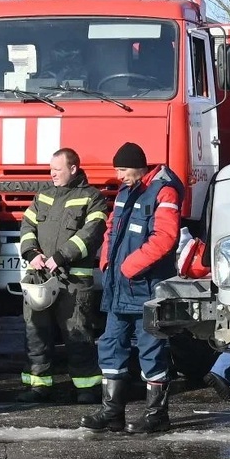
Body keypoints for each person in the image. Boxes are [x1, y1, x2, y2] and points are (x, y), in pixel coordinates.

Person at [81, 142, 184, 434]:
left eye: (123, 169)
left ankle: (156, 415)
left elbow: (165, 237)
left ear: (138, 167)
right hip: (120, 289)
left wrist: (129, 267)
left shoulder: (164, 191)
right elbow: (112, 229)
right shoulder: (127, 191)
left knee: (151, 349)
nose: (119, 175)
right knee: (111, 345)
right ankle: (111, 413)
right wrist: (105, 261)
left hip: (145, 289)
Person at [17, 147, 107, 404]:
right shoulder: (43, 194)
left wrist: (60, 257)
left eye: (57, 170)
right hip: (40, 278)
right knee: (36, 332)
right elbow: (27, 225)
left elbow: (91, 234)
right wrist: (31, 252)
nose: (52, 174)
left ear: (73, 169)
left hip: (73, 281)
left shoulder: (93, 198)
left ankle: (86, 387)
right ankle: (38, 385)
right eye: (51, 170)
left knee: (77, 333)